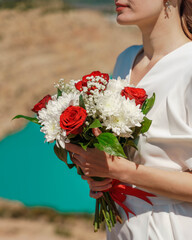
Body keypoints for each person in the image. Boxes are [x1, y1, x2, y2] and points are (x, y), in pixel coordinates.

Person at [66, 0, 192, 239]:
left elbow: (123, 168)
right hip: (123, 227)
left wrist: (119, 170)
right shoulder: (126, 59)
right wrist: (99, 175)